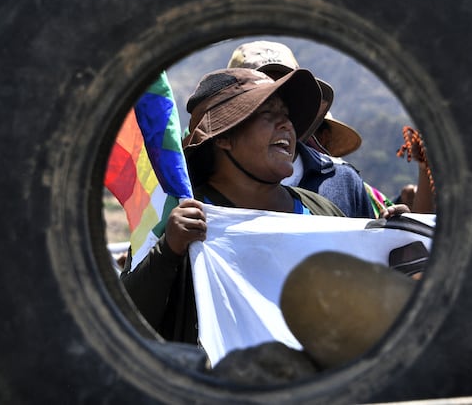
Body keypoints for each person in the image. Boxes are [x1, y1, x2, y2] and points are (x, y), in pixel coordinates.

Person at [121, 67, 345, 344]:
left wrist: (397, 235)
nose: (287, 125)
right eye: (268, 113)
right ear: (224, 136)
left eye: (286, 116)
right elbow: (123, 324)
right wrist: (169, 250)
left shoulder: (322, 211)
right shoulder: (179, 220)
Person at [227, 40, 403, 218]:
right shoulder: (204, 185)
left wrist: (394, 236)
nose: (279, 108)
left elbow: (367, 243)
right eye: (264, 102)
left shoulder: (343, 181)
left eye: (287, 94)